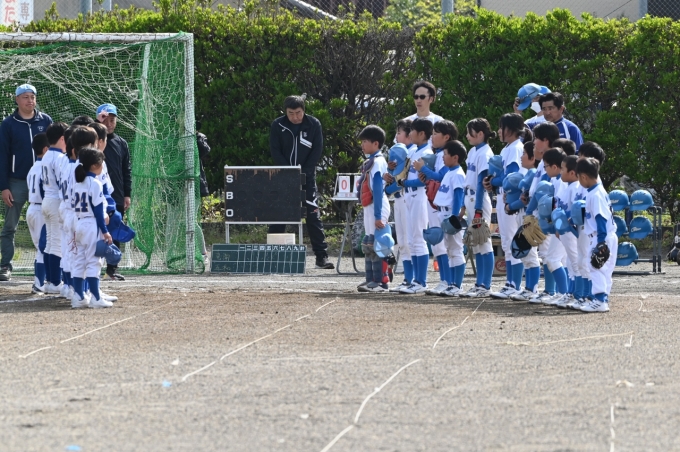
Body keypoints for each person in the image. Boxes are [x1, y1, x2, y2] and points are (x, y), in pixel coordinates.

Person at [269, 95, 333, 269]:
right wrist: (289, 172)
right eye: (291, 113)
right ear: (285, 112)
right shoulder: (278, 125)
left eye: (298, 113)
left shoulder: (314, 124)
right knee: (279, 215)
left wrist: (303, 173)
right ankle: (272, 256)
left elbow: (317, 150)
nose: (295, 117)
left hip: (307, 177)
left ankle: (321, 256)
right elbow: (275, 150)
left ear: (304, 110)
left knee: (313, 215)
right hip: (283, 177)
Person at [0, 84, 53, 281]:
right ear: (17, 100)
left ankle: (48, 263)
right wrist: (4, 186)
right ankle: (5, 265)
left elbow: (55, 149)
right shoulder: (8, 124)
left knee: (49, 220)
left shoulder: (46, 120)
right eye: (25, 97)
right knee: (10, 225)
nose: (30, 100)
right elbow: (2, 156)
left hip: (44, 181)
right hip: (17, 181)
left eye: (32, 96)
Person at [486, 114, 531, 299]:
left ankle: (515, 284)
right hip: (504, 198)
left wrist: (493, 181)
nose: (498, 131)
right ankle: (510, 283)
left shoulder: (515, 148)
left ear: (511, 129)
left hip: (512, 200)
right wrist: (491, 182)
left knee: (512, 241)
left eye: (501, 127)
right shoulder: (507, 148)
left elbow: (510, 176)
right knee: (507, 242)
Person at [414, 119, 458, 295]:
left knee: (444, 245)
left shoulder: (447, 155)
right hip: (434, 201)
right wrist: (426, 177)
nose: (432, 137)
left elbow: (441, 177)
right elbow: (435, 178)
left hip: (442, 204)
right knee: (438, 244)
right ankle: (444, 280)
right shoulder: (439, 154)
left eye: (435, 133)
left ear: (446, 137)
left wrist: (424, 169)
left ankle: (448, 281)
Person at [70, 148, 114, 309]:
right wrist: (105, 231)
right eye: (101, 163)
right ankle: (96, 297)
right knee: (94, 262)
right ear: (95, 165)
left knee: (79, 262)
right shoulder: (95, 183)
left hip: (79, 224)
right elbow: (98, 212)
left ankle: (79, 297)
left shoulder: (77, 183)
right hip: (91, 226)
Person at [396, 118, 434, 293]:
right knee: (411, 241)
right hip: (409, 196)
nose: (410, 134)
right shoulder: (414, 152)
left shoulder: (427, 152)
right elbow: (405, 174)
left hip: (420, 196)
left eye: (412, 131)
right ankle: (415, 281)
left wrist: (405, 183)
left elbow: (423, 181)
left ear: (422, 134)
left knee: (418, 239)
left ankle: (421, 281)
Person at [575, 157, 617, 313]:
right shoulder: (598, 190)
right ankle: (603, 299)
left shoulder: (595, 194)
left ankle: (599, 301)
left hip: (601, 236)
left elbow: (600, 218)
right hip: (608, 235)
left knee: (595, 267)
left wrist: (601, 241)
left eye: (579, 177)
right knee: (604, 269)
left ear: (584, 176)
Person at [460, 119, 495, 298]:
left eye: (470, 132)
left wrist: (479, 209)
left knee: (483, 241)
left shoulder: (485, 152)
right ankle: (479, 283)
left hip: (479, 199)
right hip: (470, 197)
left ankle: (485, 285)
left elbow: (482, 183)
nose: (467, 135)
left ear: (480, 133)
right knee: (476, 243)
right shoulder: (473, 151)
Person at [568, 142, 606, 309]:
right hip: (586, 229)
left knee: (591, 265)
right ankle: (587, 296)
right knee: (584, 262)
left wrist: (601, 241)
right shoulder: (587, 185)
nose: (578, 158)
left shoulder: (594, 187)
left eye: (581, 155)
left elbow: (599, 216)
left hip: (594, 232)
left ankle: (594, 298)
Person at [97, 103, 131, 280]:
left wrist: (127, 194)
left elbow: (126, 170)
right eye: (105, 119)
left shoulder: (121, 143)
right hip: (96, 196)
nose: (109, 123)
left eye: (112, 120)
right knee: (95, 232)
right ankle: (91, 268)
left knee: (115, 231)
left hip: (115, 196)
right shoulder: (91, 138)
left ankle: (112, 269)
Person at [356, 125, 390, 292]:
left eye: (365, 141)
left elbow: (377, 188)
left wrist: (377, 215)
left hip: (378, 205)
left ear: (376, 143)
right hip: (370, 205)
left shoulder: (378, 162)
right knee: (368, 243)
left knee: (378, 244)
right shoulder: (371, 161)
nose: (362, 145)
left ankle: (381, 282)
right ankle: (370, 279)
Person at [433, 140, 467, 296]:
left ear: (455, 157)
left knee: (456, 249)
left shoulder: (458, 174)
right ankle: (452, 283)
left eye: (446, 154)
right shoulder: (449, 172)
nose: (443, 157)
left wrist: (454, 216)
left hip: (450, 215)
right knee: (449, 250)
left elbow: (459, 195)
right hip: (443, 213)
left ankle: (457, 285)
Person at [385, 119, 416, 292]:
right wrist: (389, 171)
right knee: (402, 241)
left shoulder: (412, 152)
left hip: (408, 198)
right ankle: (407, 278)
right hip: (399, 199)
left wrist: (388, 188)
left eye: (399, 133)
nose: (396, 136)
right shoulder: (399, 151)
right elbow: (394, 177)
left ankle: (415, 279)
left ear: (409, 135)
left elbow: (402, 180)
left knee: (410, 241)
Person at [539, 147, 570, 306]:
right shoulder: (556, 180)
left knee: (552, 259)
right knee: (561, 260)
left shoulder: (561, 182)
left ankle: (564, 293)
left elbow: (561, 207)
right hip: (561, 226)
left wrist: (557, 227)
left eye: (546, 166)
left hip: (563, 226)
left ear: (555, 167)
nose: (544, 169)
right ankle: (562, 293)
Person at [41, 122, 69, 294]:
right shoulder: (60, 158)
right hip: (56, 201)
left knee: (50, 243)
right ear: (62, 138)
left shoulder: (46, 155)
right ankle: (56, 282)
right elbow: (62, 182)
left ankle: (50, 281)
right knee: (57, 244)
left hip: (47, 199)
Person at [554, 154, 580, 307]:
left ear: (572, 173)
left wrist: (565, 226)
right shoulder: (567, 187)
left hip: (571, 231)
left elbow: (574, 212)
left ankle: (578, 294)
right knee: (570, 263)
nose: (560, 171)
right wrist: (558, 228)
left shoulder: (575, 188)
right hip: (564, 230)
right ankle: (571, 292)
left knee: (575, 262)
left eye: (563, 169)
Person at [26, 133, 49, 294]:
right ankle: (39, 283)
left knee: (41, 248)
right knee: (44, 248)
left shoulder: (33, 167)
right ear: (46, 149)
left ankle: (40, 281)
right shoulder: (45, 167)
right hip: (41, 210)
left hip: (32, 208)